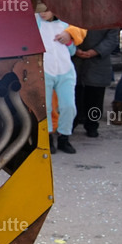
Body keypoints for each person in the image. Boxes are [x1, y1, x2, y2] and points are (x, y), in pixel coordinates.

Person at [36, 10, 79, 154]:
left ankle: (64, 137)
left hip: (65, 71)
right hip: (45, 70)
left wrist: (69, 40)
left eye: (46, 10)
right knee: (45, 107)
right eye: (39, 10)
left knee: (69, 106)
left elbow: (72, 50)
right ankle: (47, 138)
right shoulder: (35, 21)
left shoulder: (65, 24)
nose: (42, 13)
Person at [72, 28, 117, 137]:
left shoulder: (109, 14)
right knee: (73, 96)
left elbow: (112, 37)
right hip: (74, 58)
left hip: (99, 60)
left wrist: (96, 51)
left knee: (95, 96)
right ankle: (71, 124)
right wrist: (74, 48)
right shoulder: (73, 11)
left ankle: (92, 125)